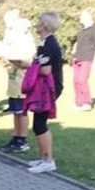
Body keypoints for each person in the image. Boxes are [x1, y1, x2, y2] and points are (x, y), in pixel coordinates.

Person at [25, 12, 64, 174]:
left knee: (40, 124)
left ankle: (48, 160)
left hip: (49, 87)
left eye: (39, 22)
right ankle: (43, 158)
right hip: (45, 87)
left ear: (45, 25)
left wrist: (30, 68)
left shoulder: (48, 45)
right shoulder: (44, 43)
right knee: (38, 123)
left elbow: (46, 69)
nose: (36, 25)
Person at [0, 9, 35, 152]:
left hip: (23, 81)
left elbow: (29, 62)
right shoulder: (14, 40)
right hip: (13, 80)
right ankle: (16, 136)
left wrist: (16, 61)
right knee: (15, 111)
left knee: (22, 111)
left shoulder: (27, 42)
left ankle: (23, 139)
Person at [71, 9, 95, 110]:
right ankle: (79, 103)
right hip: (77, 58)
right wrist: (74, 51)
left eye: (82, 16)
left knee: (82, 80)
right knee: (76, 81)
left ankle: (87, 103)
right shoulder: (82, 29)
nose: (80, 18)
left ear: (89, 17)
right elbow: (78, 42)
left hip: (87, 58)